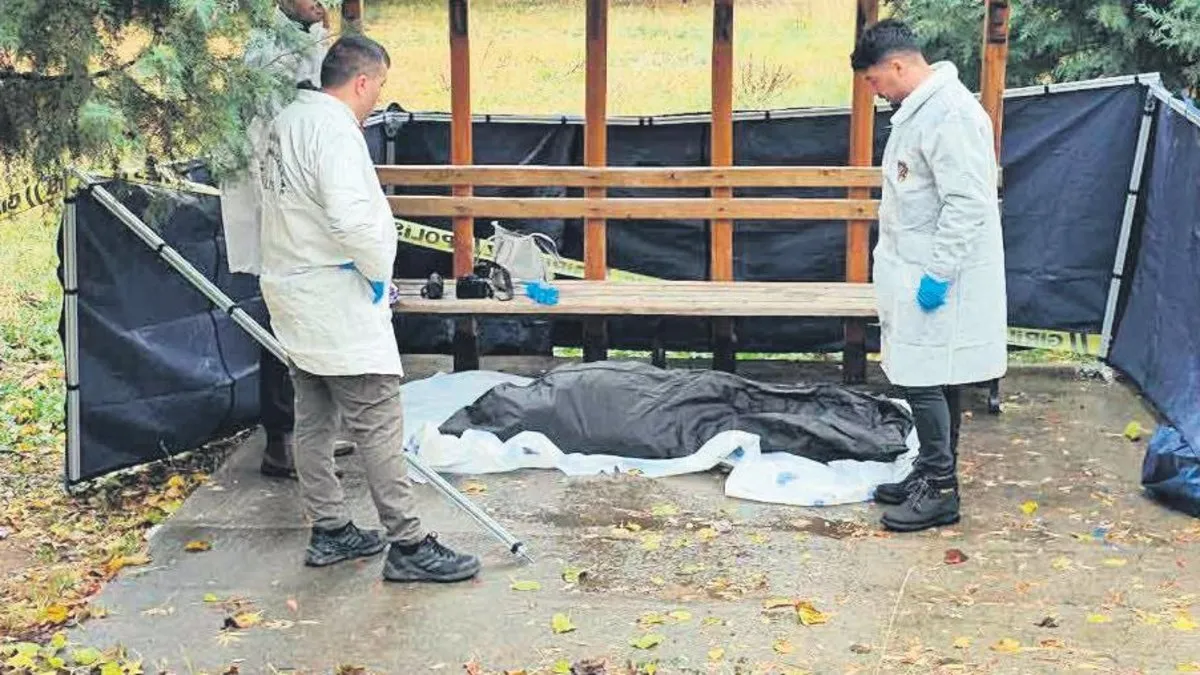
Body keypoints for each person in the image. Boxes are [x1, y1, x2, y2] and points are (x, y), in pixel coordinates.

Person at [256, 34, 482, 582]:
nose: (378, 97)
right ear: (362, 81)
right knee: (378, 420)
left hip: (292, 288)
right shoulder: (333, 131)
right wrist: (381, 274)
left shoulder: (285, 120)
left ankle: (331, 529)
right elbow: (353, 219)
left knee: (313, 417)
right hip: (336, 299)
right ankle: (407, 543)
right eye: (379, 86)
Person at [849, 19, 1007, 532]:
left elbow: (967, 202)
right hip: (914, 267)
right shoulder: (918, 111)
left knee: (922, 378)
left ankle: (941, 489)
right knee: (933, 374)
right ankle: (930, 470)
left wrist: (937, 274)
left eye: (874, 81)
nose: (874, 92)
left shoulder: (951, 114)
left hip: (937, 273)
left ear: (897, 65)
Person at [220, 0, 355, 479]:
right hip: (278, 205)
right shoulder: (266, 51)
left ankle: (312, 434)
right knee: (284, 322)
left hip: (306, 205)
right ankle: (281, 440)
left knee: (312, 320)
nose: (323, 3)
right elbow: (265, 142)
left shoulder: (310, 35)